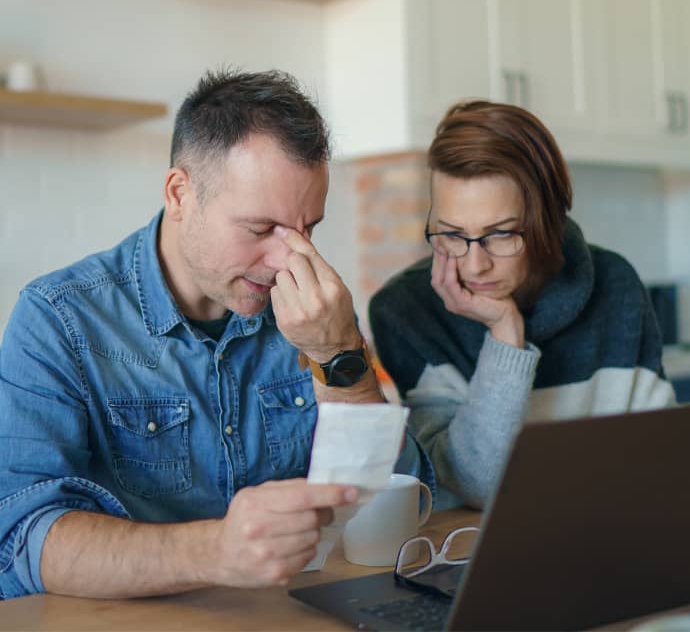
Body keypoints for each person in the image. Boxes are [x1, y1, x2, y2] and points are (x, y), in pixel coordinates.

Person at [0, 69, 431, 600]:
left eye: (307, 229)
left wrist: (339, 356)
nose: (286, 260)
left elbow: (400, 499)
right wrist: (217, 550)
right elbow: (22, 539)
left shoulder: (315, 312)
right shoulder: (58, 319)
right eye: (260, 229)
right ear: (181, 194)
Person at [369, 100, 676, 512]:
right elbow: (476, 484)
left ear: (547, 222)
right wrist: (505, 334)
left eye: (500, 235)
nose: (475, 265)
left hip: (615, 535)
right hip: (470, 558)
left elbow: (662, 456)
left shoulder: (614, 284)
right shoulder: (405, 311)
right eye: (452, 235)